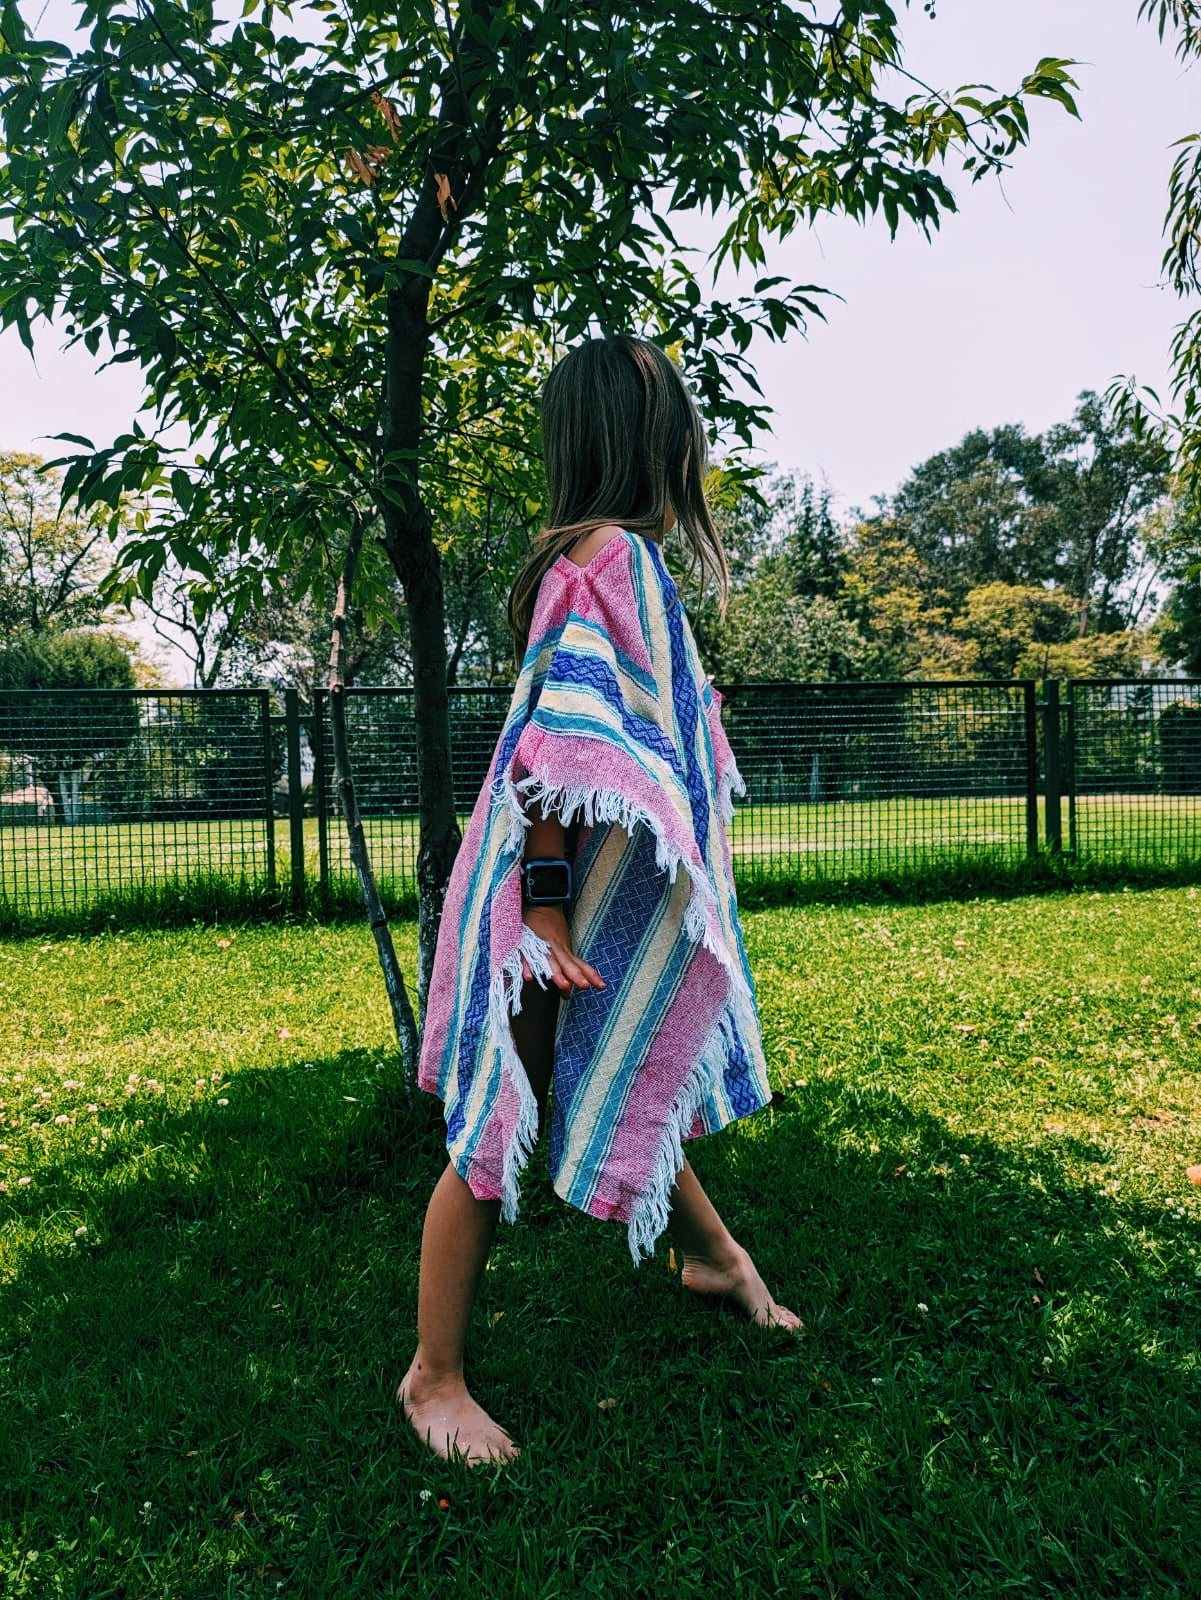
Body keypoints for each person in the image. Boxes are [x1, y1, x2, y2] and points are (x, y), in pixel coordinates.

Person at [398, 335, 800, 1467]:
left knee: (606, 1063)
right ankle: (432, 1376)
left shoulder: (569, 554)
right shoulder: (616, 560)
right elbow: (561, 747)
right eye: (681, 430)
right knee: (498, 1116)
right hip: (545, 895)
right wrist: (548, 908)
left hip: (549, 885)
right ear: (651, 445)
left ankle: (716, 1255)